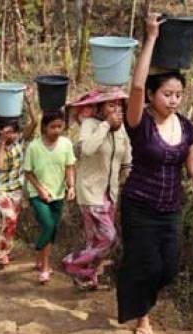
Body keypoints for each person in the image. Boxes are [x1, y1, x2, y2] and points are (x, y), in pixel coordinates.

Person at [116, 13, 193, 334]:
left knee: (169, 268)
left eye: (178, 94)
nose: (173, 99)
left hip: (171, 210)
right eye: (167, 94)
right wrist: (150, 38)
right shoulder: (139, 121)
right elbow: (135, 84)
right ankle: (142, 317)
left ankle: (130, 284)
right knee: (147, 265)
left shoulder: (186, 127)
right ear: (151, 96)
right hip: (139, 206)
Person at [61, 86, 132, 290]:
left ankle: (88, 278)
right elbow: (88, 149)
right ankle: (72, 263)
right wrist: (106, 126)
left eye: (119, 105)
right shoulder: (90, 125)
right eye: (111, 105)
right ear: (100, 109)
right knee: (109, 238)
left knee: (95, 241)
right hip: (91, 192)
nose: (117, 109)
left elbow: (126, 155)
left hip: (110, 193)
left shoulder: (121, 129)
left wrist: (127, 176)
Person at [22, 110, 76, 284]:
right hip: (37, 194)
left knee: (51, 231)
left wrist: (71, 186)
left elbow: (69, 167)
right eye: (53, 127)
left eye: (60, 126)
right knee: (48, 225)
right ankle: (43, 265)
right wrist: (40, 190)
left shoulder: (66, 144)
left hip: (58, 194)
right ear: (44, 127)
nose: (57, 130)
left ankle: (42, 261)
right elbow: (28, 172)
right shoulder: (34, 147)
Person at [0, 87, 39, 266]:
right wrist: (3, 141)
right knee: (10, 217)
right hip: (0, 189)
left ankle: (4, 252)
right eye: (7, 131)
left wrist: (29, 102)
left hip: (16, 189)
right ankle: (3, 252)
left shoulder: (19, 140)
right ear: (1, 131)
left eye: (13, 131)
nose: (11, 134)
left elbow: (34, 122)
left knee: (11, 222)